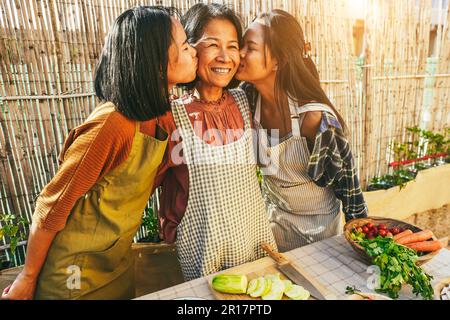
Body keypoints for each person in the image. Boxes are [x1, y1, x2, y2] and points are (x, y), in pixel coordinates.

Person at [1, 6, 197, 300]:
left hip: (116, 265)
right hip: (73, 275)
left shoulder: (162, 118)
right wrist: (27, 279)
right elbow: (50, 208)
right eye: (184, 46)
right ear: (156, 62)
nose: (193, 51)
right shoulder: (112, 126)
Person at [153, 3, 277, 281]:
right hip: (204, 248)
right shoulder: (171, 115)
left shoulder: (246, 100)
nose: (225, 57)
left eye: (233, 46)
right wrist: (171, 222)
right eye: (213, 45)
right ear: (190, 48)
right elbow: (150, 182)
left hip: (255, 239)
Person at [236, 9, 368, 252]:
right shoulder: (247, 99)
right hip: (272, 224)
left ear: (279, 60)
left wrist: (362, 245)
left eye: (251, 48)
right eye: (241, 45)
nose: (240, 53)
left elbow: (349, 187)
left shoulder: (314, 118)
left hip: (320, 234)